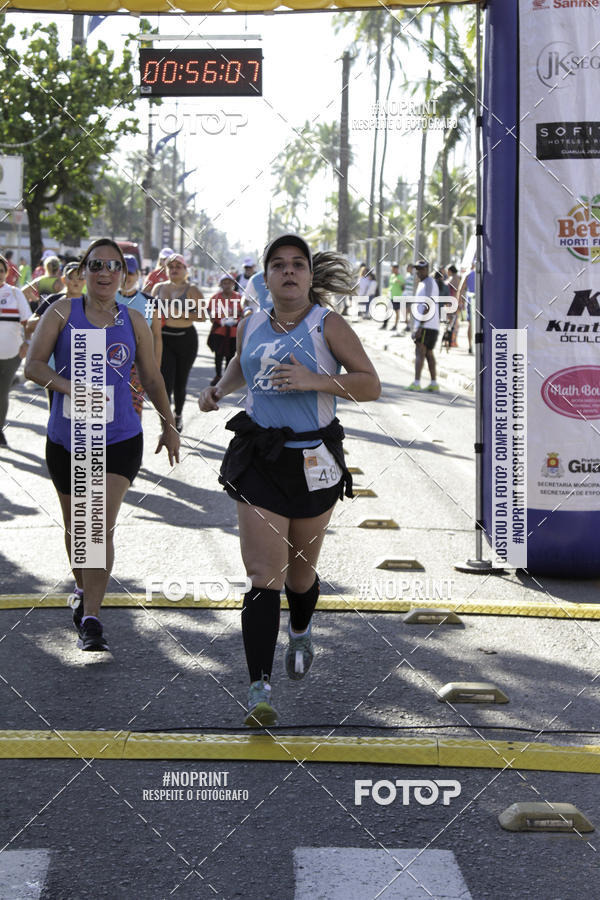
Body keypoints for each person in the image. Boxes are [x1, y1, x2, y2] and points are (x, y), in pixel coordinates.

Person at [198, 234, 381, 727]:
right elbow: (243, 362)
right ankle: (259, 687)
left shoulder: (329, 324)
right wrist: (219, 388)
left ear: (309, 275)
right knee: (264, 576)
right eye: (278, 265)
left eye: (297, 264)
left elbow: (370, 384)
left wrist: (315, 380)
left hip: (314, 459)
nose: (288, 272)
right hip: (259, 455)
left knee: (299, 577)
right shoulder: (252, 322)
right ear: (267, 276)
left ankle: (300, 628)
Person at [25, 238, 180, 652]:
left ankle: (92, 617)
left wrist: (170, 424)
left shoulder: (133, 321)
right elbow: (33, 366)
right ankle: (82, 590)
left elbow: (151, 377)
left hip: (120, 438)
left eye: (115, 265)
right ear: (85, 270)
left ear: (124, 274)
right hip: (67, 439)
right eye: (97, 264)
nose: (105, 272)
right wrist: (69, 387)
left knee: (97, 525)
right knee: (79, 528)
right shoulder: (61, 312)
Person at [152, 253, 205, 433]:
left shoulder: (192, 290)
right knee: (165, 381)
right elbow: (148, 313)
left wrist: (176, 311)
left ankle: (178, 414)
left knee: (180, 382)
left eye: (178, 267)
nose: (174, 270)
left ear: (185, 270)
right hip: (163, 338)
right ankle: (165, 420)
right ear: (166, 269)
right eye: (171, 267)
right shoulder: (158, 288)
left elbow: (202, 316)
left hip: (186, 339)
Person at [117, 255, 162, 417]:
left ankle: (133, 441)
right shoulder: (105, 299)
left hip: (138, 364)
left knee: (134, 410)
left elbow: (157, 336)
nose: (126, 277)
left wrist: (155, 368)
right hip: (109, 363)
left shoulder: (150, 302)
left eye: (130, 273)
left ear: (137, 275)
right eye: (122, 272)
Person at [0, 255, 31, 448]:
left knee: (2, 392)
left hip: (12, 354)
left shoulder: (14, 293)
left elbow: (27, 322)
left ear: (6, 272)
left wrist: (27, 342)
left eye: (1, 271)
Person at [407, 259, 440, 392]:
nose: (418, 272)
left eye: (421, 269)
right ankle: (433, 383)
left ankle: (416, 382)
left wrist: (420, 326)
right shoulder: (423, 283)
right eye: (417, 269)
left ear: (426, 269)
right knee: (428, 354)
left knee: (420, 352)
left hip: (426, 325)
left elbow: (428, 304)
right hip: (428, 324)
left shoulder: (429, 283)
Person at [207, 274, 243, 386]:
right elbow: (209, 310)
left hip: (233, 332)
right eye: (224, 282)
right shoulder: (216, 297)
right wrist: (213, 318)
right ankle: (218, 375)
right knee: (218, 354)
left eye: (229, 282)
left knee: (230, 355)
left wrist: (239, 319)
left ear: (234, 284)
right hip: (219, 331)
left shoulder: (239, 297)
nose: (227, 285)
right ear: (220, 284)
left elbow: (244, 311)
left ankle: (226, 378)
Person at [457, 261, 476, 354]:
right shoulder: (485, 273)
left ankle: (470, 346)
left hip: (471, 301)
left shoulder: (468, 274)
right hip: (479, 301)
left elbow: (460, 289)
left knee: (471, 324)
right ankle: (475, 346)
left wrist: (459, 302)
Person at [381, 261, 404, 331]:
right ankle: (385, 324)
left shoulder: (400, 277)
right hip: (391, 297)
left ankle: (395, 326)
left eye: (394, 268)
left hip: (397, 297)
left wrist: (400, 283)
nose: (393, 269)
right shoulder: (392, 276)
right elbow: (390, 287)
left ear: (397, 269)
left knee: (397, 312)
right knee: (388, 310)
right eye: (392, 268)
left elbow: (404, 287)